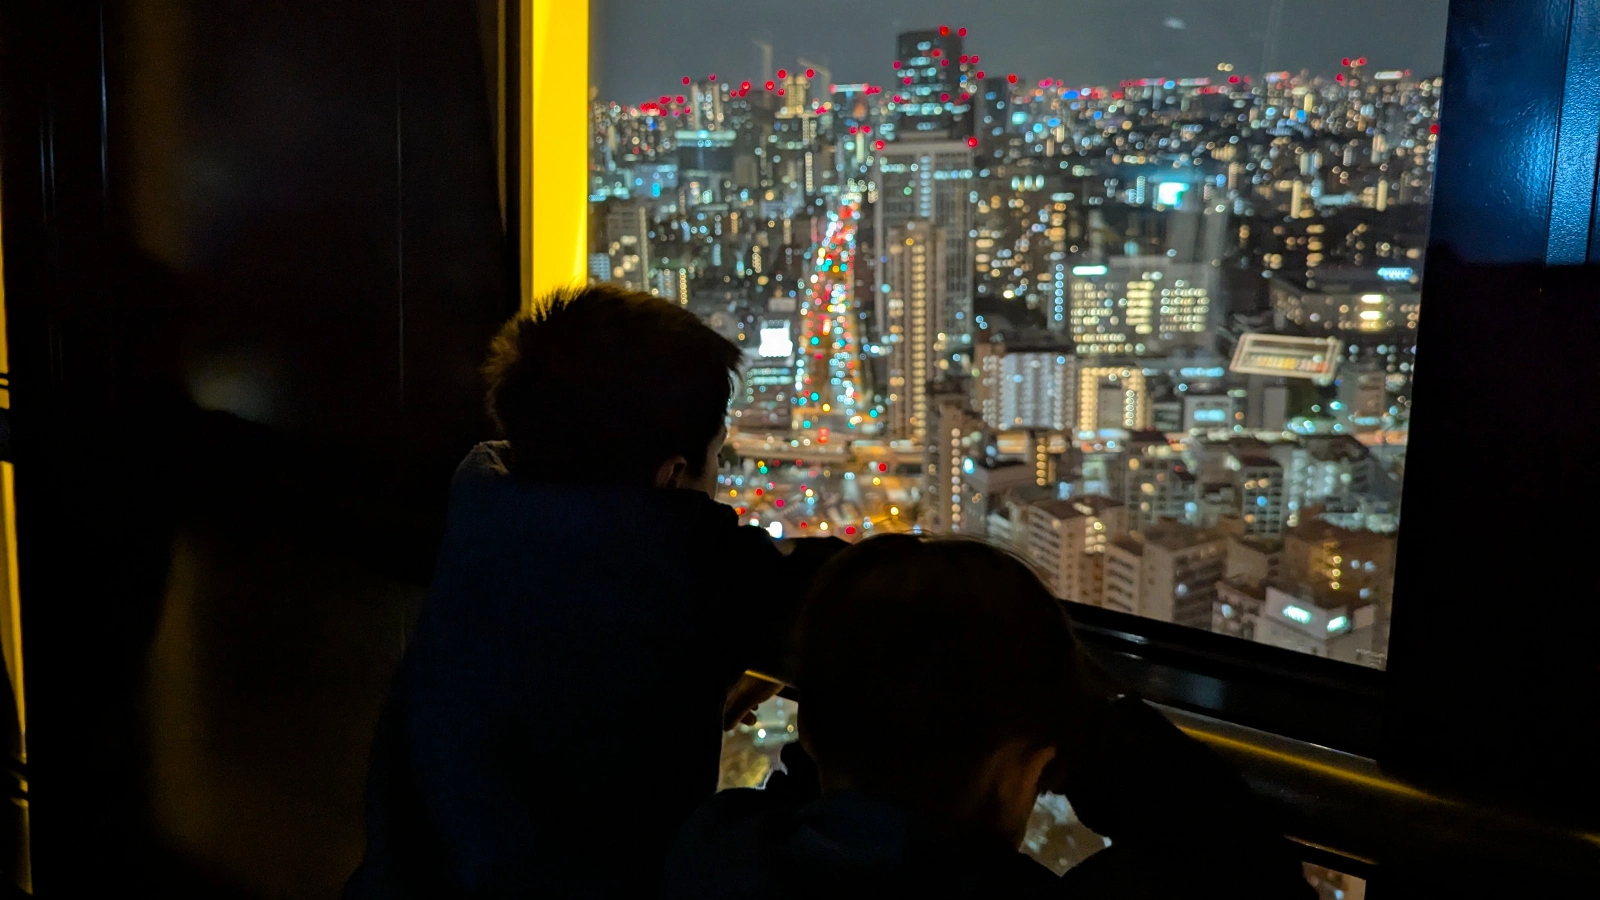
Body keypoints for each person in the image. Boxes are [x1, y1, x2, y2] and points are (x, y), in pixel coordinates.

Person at [345, 285, 840, 898]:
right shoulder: (679, 563)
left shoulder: (486, 512)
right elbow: (866, 600)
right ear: (670, 476)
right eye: (716, 462)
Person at [666, 535, 1316, 899]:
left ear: (808, 732)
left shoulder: (715, 851)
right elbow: (1252, 878)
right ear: (1037, 761)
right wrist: (1103, 726)